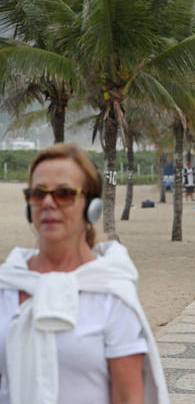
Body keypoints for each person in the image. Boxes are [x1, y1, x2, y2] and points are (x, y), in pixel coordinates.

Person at [0, 142, 168, 404]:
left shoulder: (111, 293)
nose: (47, 202)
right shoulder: (7, 285)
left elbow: (128, 397)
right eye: (37, 192)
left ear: (92, 207)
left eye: (64, 193)